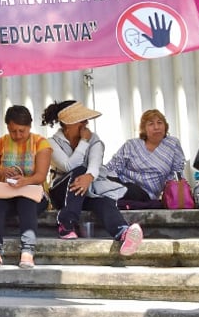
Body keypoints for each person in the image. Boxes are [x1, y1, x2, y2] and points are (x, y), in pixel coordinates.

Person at [41, 100, 144, 256]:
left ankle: (123, 233)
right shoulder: (51, 143)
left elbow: (95, 163)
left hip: (86, 190)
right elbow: (68, 166)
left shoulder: (94, 139)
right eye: (82, 120)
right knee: (79, 170)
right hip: (62, 193)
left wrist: (89, 177)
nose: (86, 123)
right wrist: (83, 142)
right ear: (68, 123)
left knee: (103, 200)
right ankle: (66, 223)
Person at [0, 105, 52, 269]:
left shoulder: (41, 144)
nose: (17, 135)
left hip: (33, 196)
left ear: (30, 126)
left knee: (26, 202)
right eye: (13, 131)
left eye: (22, 131)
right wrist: (2, 173)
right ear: (7, 127)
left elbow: (40, 176)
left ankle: (27, 251)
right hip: (6, 195)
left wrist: (24, 181)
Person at [107, 108, 186, 208]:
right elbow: (111, 167)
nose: (156, 127)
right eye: (151, 124)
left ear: (165, 126)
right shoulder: (131, 144)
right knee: (103, 181)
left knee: (131, 190)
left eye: (159, 123)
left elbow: (177, 172)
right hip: (122, 183)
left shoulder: (172, 144)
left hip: (145, 193)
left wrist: (175, 193)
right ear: (144, 128)